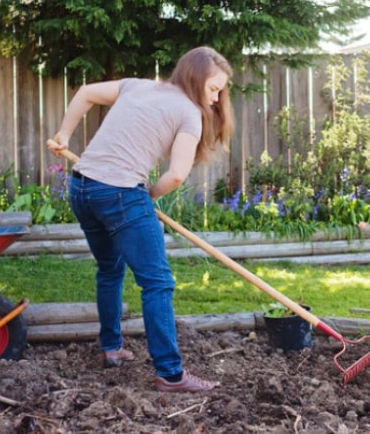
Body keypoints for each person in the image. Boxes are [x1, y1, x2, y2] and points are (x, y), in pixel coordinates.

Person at [48, 46, 235, 393]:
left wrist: (63, 135)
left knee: (110, 269)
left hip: (82, 187)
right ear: (195, 80)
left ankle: (111, 348)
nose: (215, 98)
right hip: (119, 192)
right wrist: (143, 198)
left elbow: (86, 93)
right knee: (158, 282)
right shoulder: (189, 113)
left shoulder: (137, 85)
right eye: (213, 89)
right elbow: (177, 175)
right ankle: (170, 373)